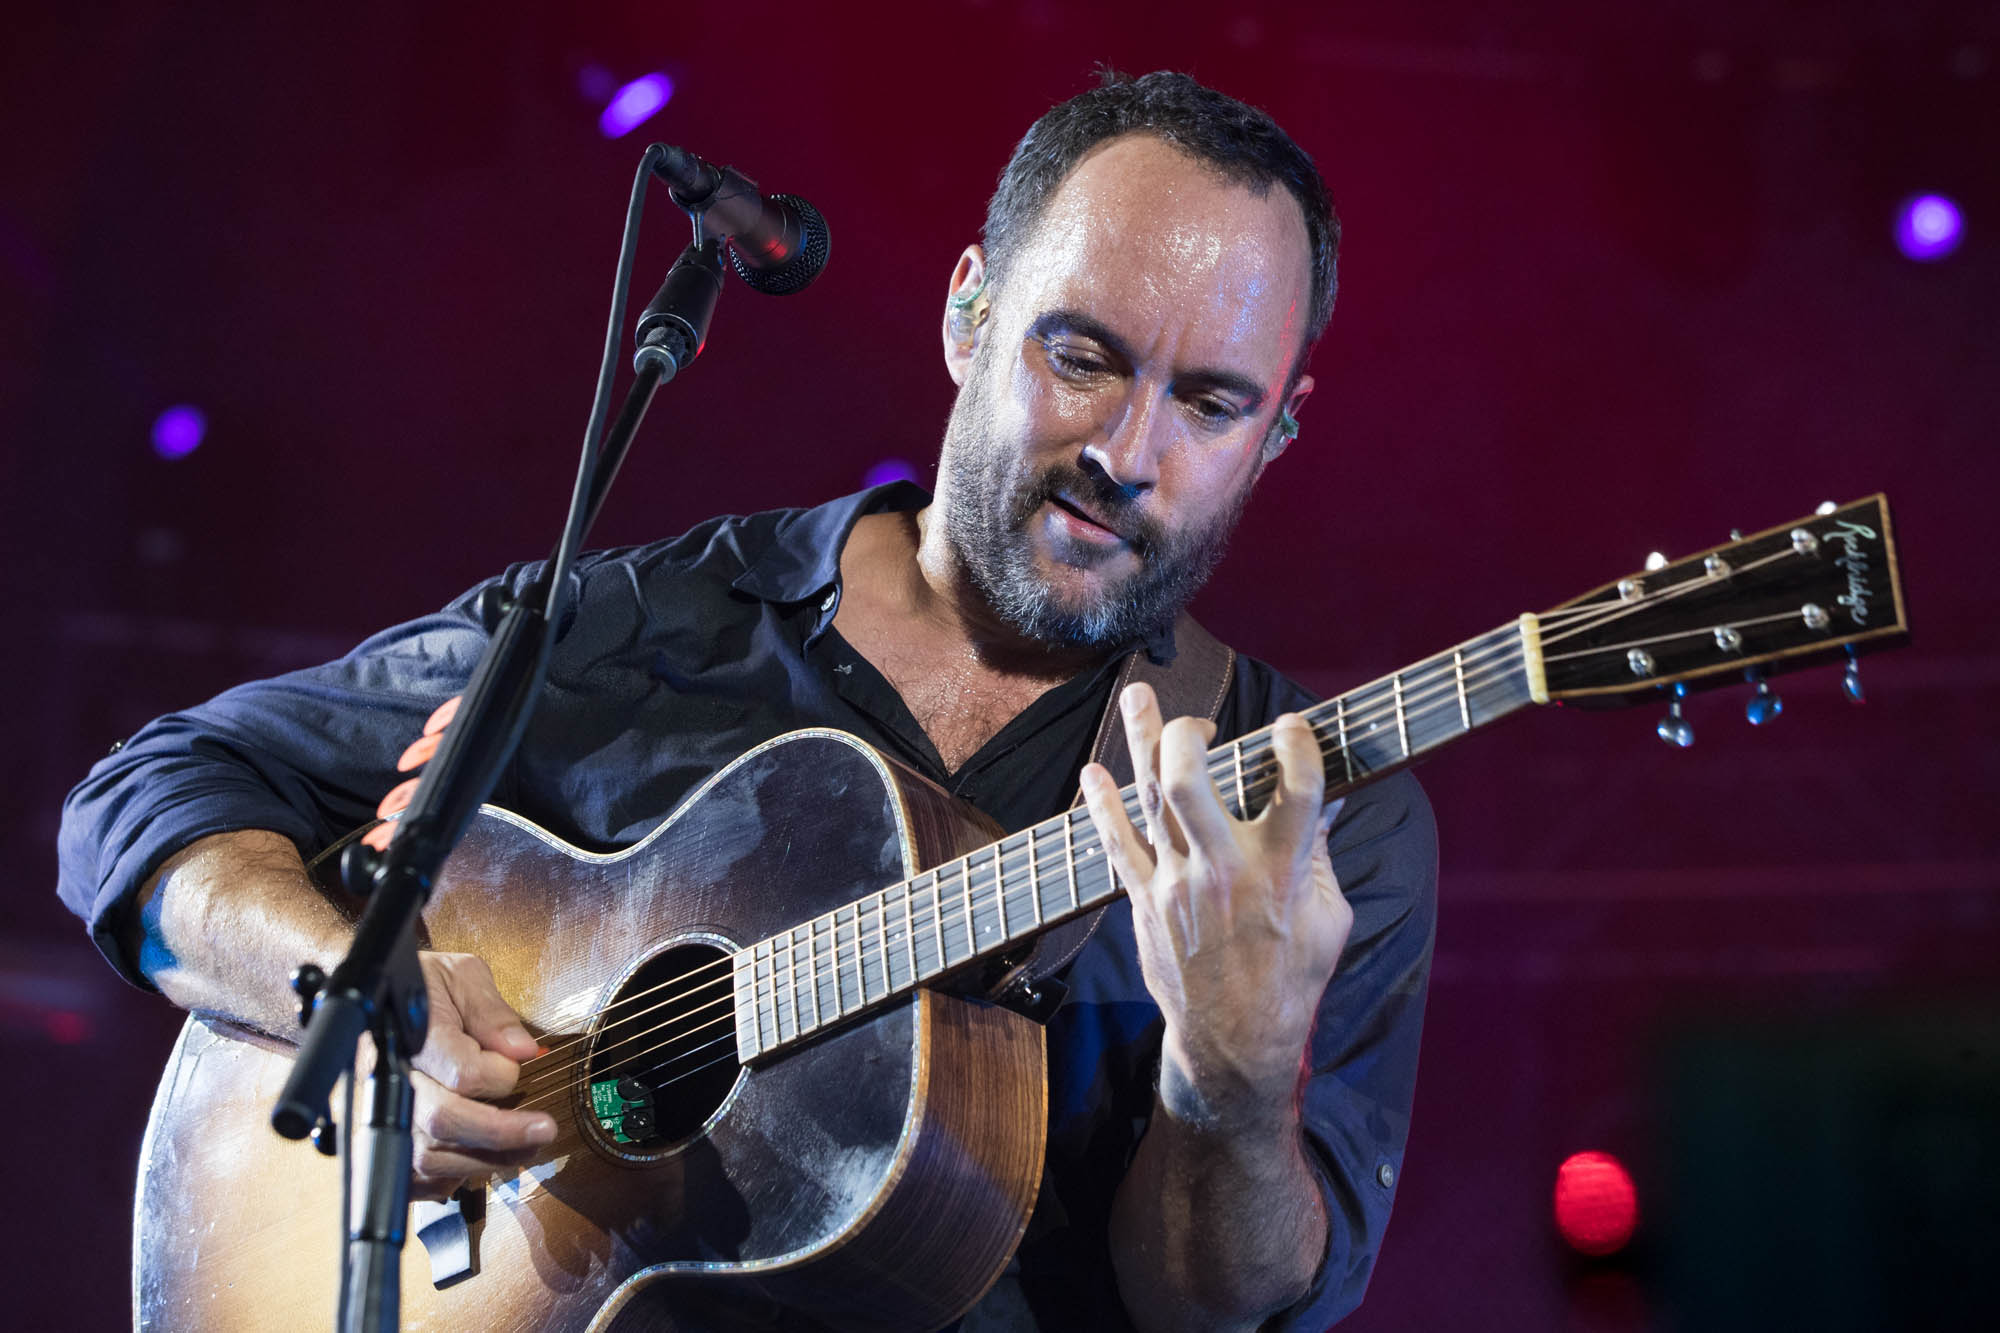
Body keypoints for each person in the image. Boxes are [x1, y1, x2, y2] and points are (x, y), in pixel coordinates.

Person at [58, 71, 1435, 1331]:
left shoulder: (1317, 814)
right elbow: (142, 798)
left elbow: (1217, 1310)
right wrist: (362, 1008)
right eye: (1081, 357)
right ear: (969, 310)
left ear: (1281, 430)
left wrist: (1235, 1078)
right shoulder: (643, 624)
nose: (1128, 453)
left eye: (1209, 404)